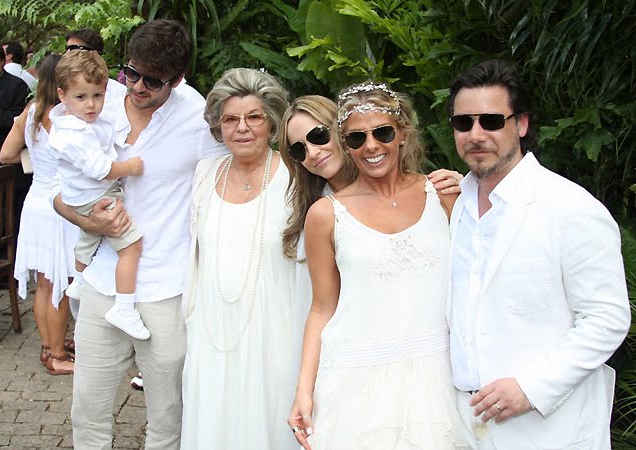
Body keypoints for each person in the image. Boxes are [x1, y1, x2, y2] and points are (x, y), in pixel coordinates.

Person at [53, 19, 225, 449]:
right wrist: (86, 221)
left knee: (168, 415)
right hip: (101, 282)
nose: (137, 86)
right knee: (87, 412)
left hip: (166, 287)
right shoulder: (98, 100)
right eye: (131, 72)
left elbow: (241, 172)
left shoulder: (197, 116)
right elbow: (58, 190)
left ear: (178, 78)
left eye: (152, 80)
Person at [447, 60, 630, 449]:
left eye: (492, 121)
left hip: (550, 428)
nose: (476, 135)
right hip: (466, 425)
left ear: (522, 125)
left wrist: (532, 389)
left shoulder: (570, 207)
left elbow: (608, 318)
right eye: (464, 123)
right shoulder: (454, 207)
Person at [288, 81, 470, 449]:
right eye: (356, 139)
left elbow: (476, 282)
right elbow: (322, 308)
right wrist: (303, 391)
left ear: (402, 134)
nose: (371, 146)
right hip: (356, 381)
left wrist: (472, 194)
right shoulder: (325, 215)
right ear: (346, 145)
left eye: (382, 132)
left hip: (435, 376)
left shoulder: (444, 195)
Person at [279, 95, 464, 366]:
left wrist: (466, 190)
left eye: (318, 136)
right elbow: (320, 310)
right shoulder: (320, 218)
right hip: (356, 361)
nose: (313, 153)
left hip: (430, 354)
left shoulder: (427, 193)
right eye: (299, 150)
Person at [181, 67, 297, 449]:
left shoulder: (298, 178)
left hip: (275, 335)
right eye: (230, 119)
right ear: (218, 127)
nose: (242, 128)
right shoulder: (204, 172)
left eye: (254, 117)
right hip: (211, 332)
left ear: (273, 122)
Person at [49, 49, 148, 340]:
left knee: (88, 238)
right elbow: (100, 168)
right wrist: (130, 166)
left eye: (98, 96)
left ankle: (78, 279)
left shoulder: (81, 123)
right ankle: (125, 307)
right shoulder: (75, 134)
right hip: (95, 194)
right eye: (81, 97)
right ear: (62, 95)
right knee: (131, 247)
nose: (91, 105)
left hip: (82, 196)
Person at [0, 53, 79, 375]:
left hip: (35, 201)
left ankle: (49, 347)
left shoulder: (30, 113)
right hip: (59, 206)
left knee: (45, 285)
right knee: (59, 283)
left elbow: (6, 154)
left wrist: (36, 160)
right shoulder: (66, 117)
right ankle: (58, 354)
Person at [0, 40, 30, 237]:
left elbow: (17, 120)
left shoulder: (16, 86)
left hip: (0, 162)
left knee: (0, 218)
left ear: (3, 61)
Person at [65, 28, 127, 99]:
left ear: (95, 53)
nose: (67, 54)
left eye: (73, 48)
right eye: (67, 49)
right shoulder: (63, 88)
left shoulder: (119, 94)